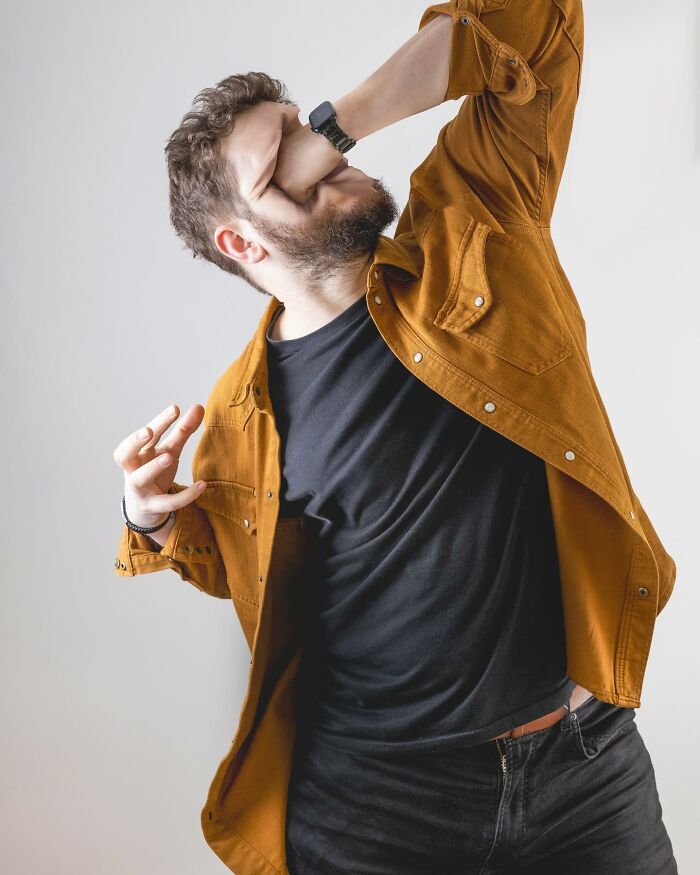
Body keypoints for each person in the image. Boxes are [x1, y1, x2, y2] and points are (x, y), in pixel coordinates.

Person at [112, 1, 678, 872]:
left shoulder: (479, 226)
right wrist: (150, 519)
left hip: (585, 768)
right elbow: (242, 562)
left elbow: (536, 24)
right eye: (284, 169)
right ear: (238, 241)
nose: (324, 157)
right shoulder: (240, 414)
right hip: (380, 807)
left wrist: (340, 117)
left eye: (308, 135)